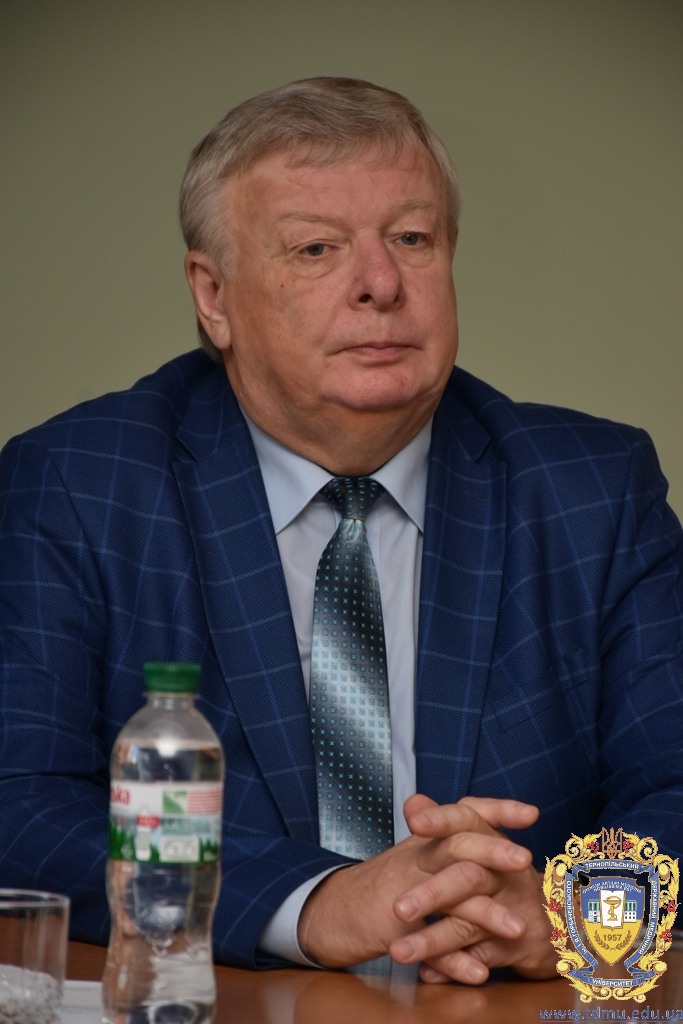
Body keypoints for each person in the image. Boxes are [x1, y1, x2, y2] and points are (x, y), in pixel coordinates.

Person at [1, 77, 682, 986]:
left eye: (411, 239)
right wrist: (313, 902)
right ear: (213, 295)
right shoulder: (80, 484)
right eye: (317, 248)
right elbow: (21, 803)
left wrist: (576, 911)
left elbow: (675, 783)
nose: (381, 284)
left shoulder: (591, 489)